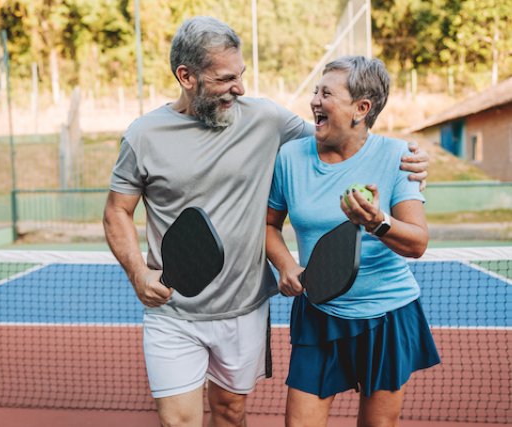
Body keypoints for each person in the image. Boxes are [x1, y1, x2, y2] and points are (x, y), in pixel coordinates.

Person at [103, 17, 429, 427]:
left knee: (232, 412)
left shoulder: (268, 119)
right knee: (178, 422)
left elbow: (344, 136)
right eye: (225, 78)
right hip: (174, 311)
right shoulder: (143, 135)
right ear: (186, 76)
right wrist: (137, 272)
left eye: (240, 76)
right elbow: (117, 210)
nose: (239, 88)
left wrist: (408, 160)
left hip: (246, 308)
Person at [266, 55, 440, 427]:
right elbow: (268, 225)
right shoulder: (290, 157)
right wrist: (286, 265)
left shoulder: (399, 157)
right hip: (319, 311)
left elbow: (418, 243)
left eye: (326, 93)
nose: (315, 100)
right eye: (315, 91)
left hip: (387, 314)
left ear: (361, 108)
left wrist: (378, 222)